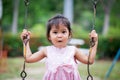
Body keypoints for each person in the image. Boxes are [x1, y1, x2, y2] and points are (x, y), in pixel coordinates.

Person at [20, 14, 98, 80]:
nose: (59, 36)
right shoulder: (46, 50)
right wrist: (26, 42)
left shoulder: (73, 50)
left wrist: (94, 43)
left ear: (69, 34)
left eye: (63, 32)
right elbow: (28, 59)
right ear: (49, 36)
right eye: (55, 32)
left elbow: (89, 61)